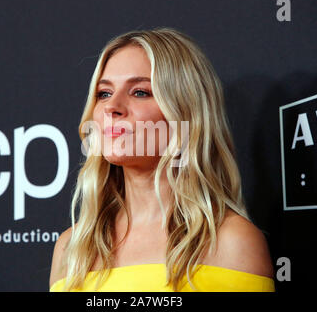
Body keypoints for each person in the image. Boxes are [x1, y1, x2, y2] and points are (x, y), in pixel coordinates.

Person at [49, 27, 275, 292]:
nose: (112, 107)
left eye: (140, 92)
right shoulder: (72, 247)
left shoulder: (231, 242)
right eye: (104, 93)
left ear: (184, 111)